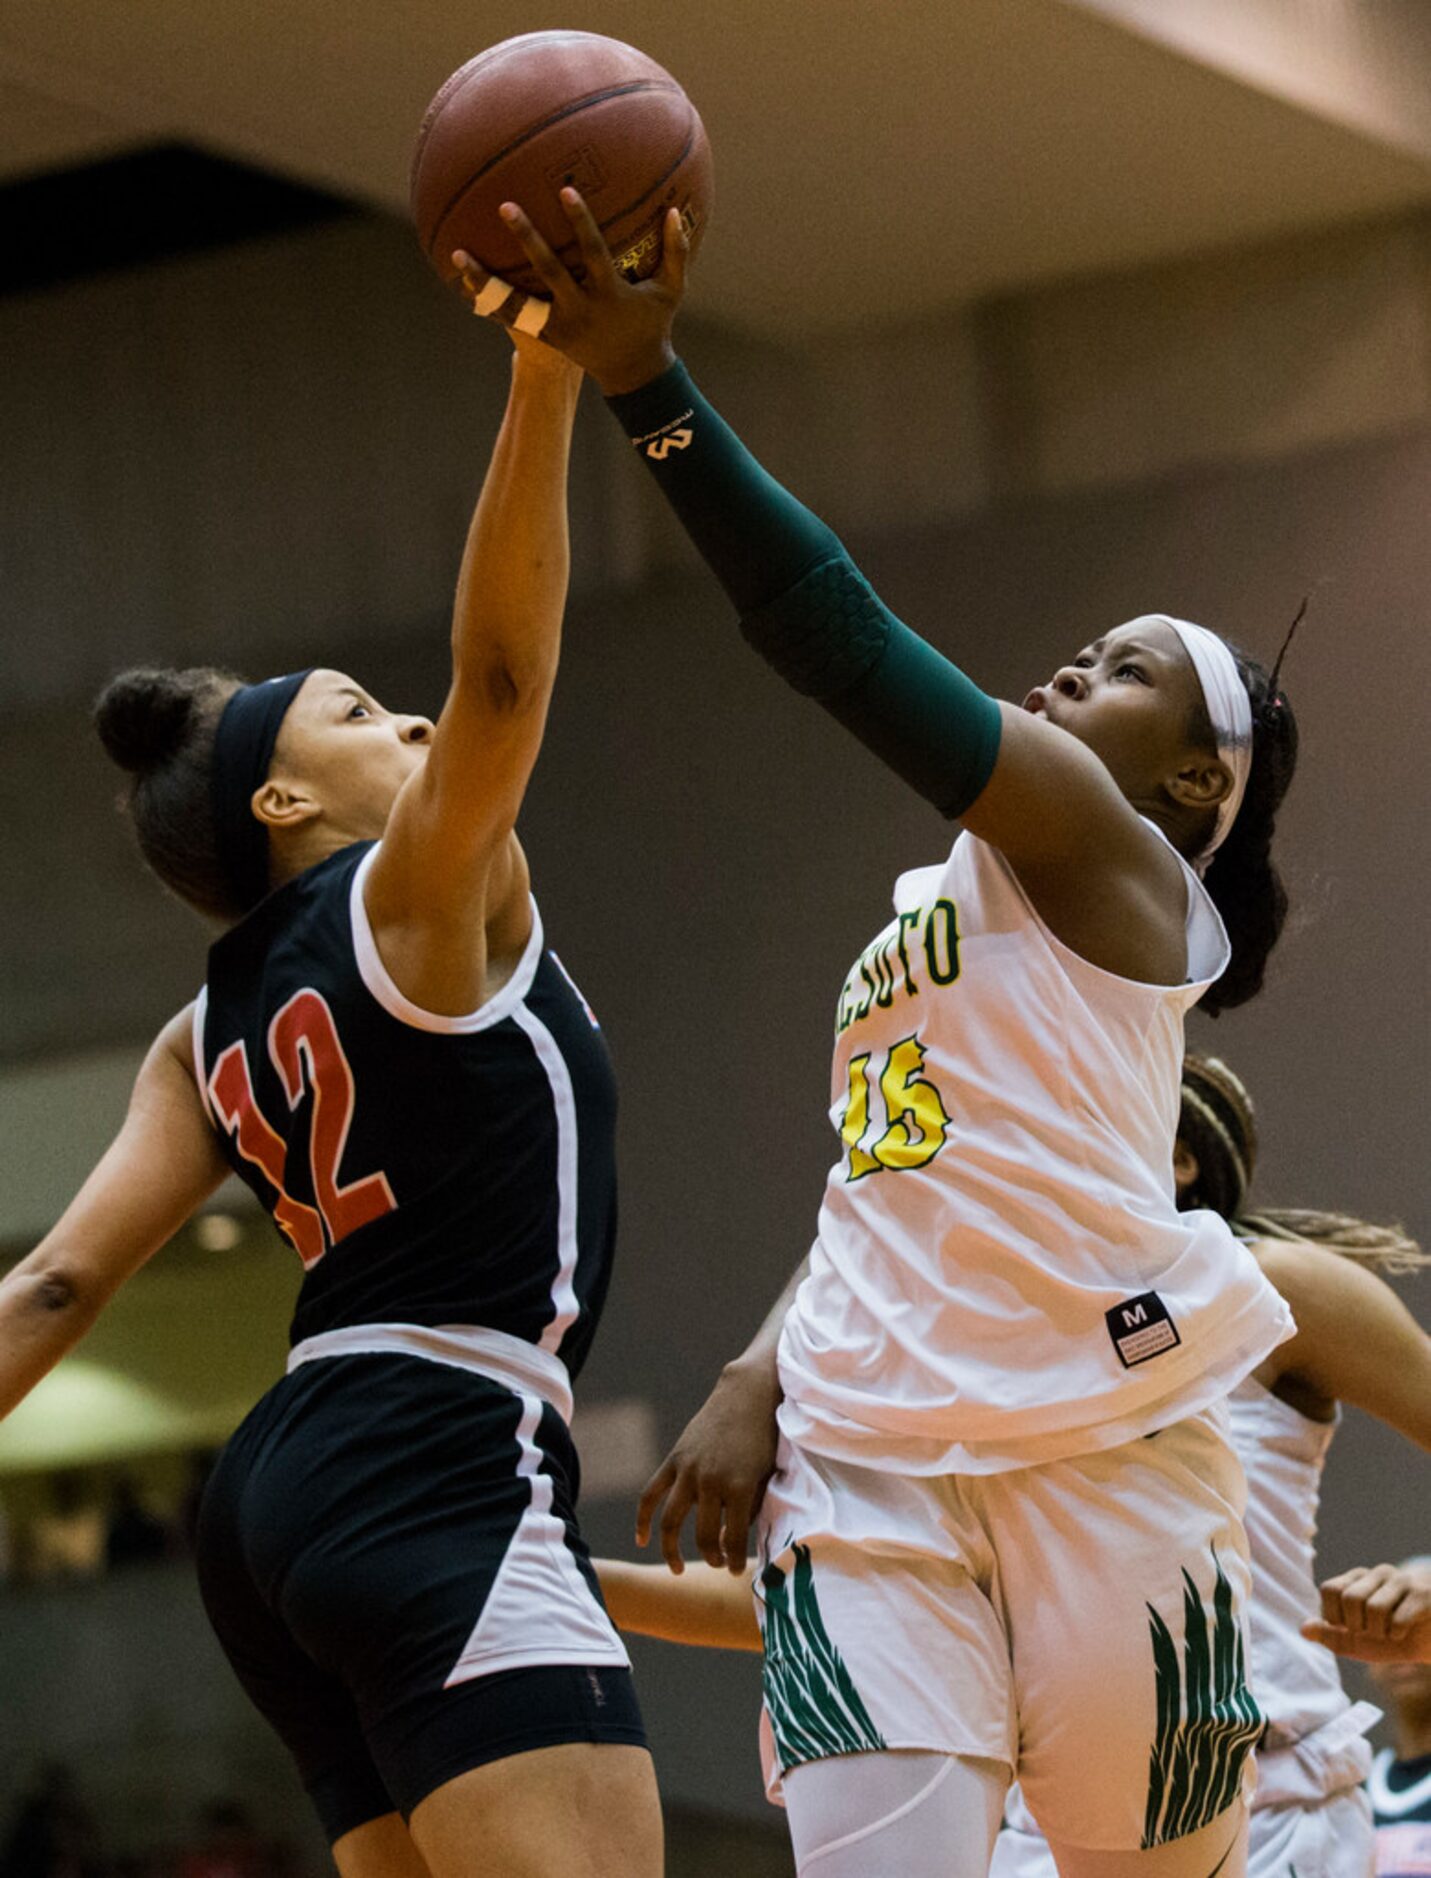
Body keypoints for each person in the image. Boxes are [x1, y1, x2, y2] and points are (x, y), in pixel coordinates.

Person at [468, 194, 1301, 1876]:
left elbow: (829, 634)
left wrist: (655, 389)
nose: (1079, 662)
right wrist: (759, 1367)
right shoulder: (943, 891)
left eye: (1126, 664)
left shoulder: (1101, 845)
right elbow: (886, 1167)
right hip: (862, 1448)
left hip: (1102, 1433)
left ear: (1192, 782)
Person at [0, 330, 660, 1878]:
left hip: (277, 1503)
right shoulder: (417, 897)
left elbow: (53, 1278)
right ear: (282, 804)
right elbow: (503, 672)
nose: (418, 728)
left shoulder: (195, 1034)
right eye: (363, 712)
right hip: (435, 1440)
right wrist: (548, 372)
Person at [594, 1057, 1431, 1877]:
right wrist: (574, 1584)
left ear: (1175, 1157)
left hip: (1265, 1794)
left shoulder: (1269, 1284)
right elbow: (851, 1594)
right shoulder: (954, 1349)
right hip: (1041, 1816)